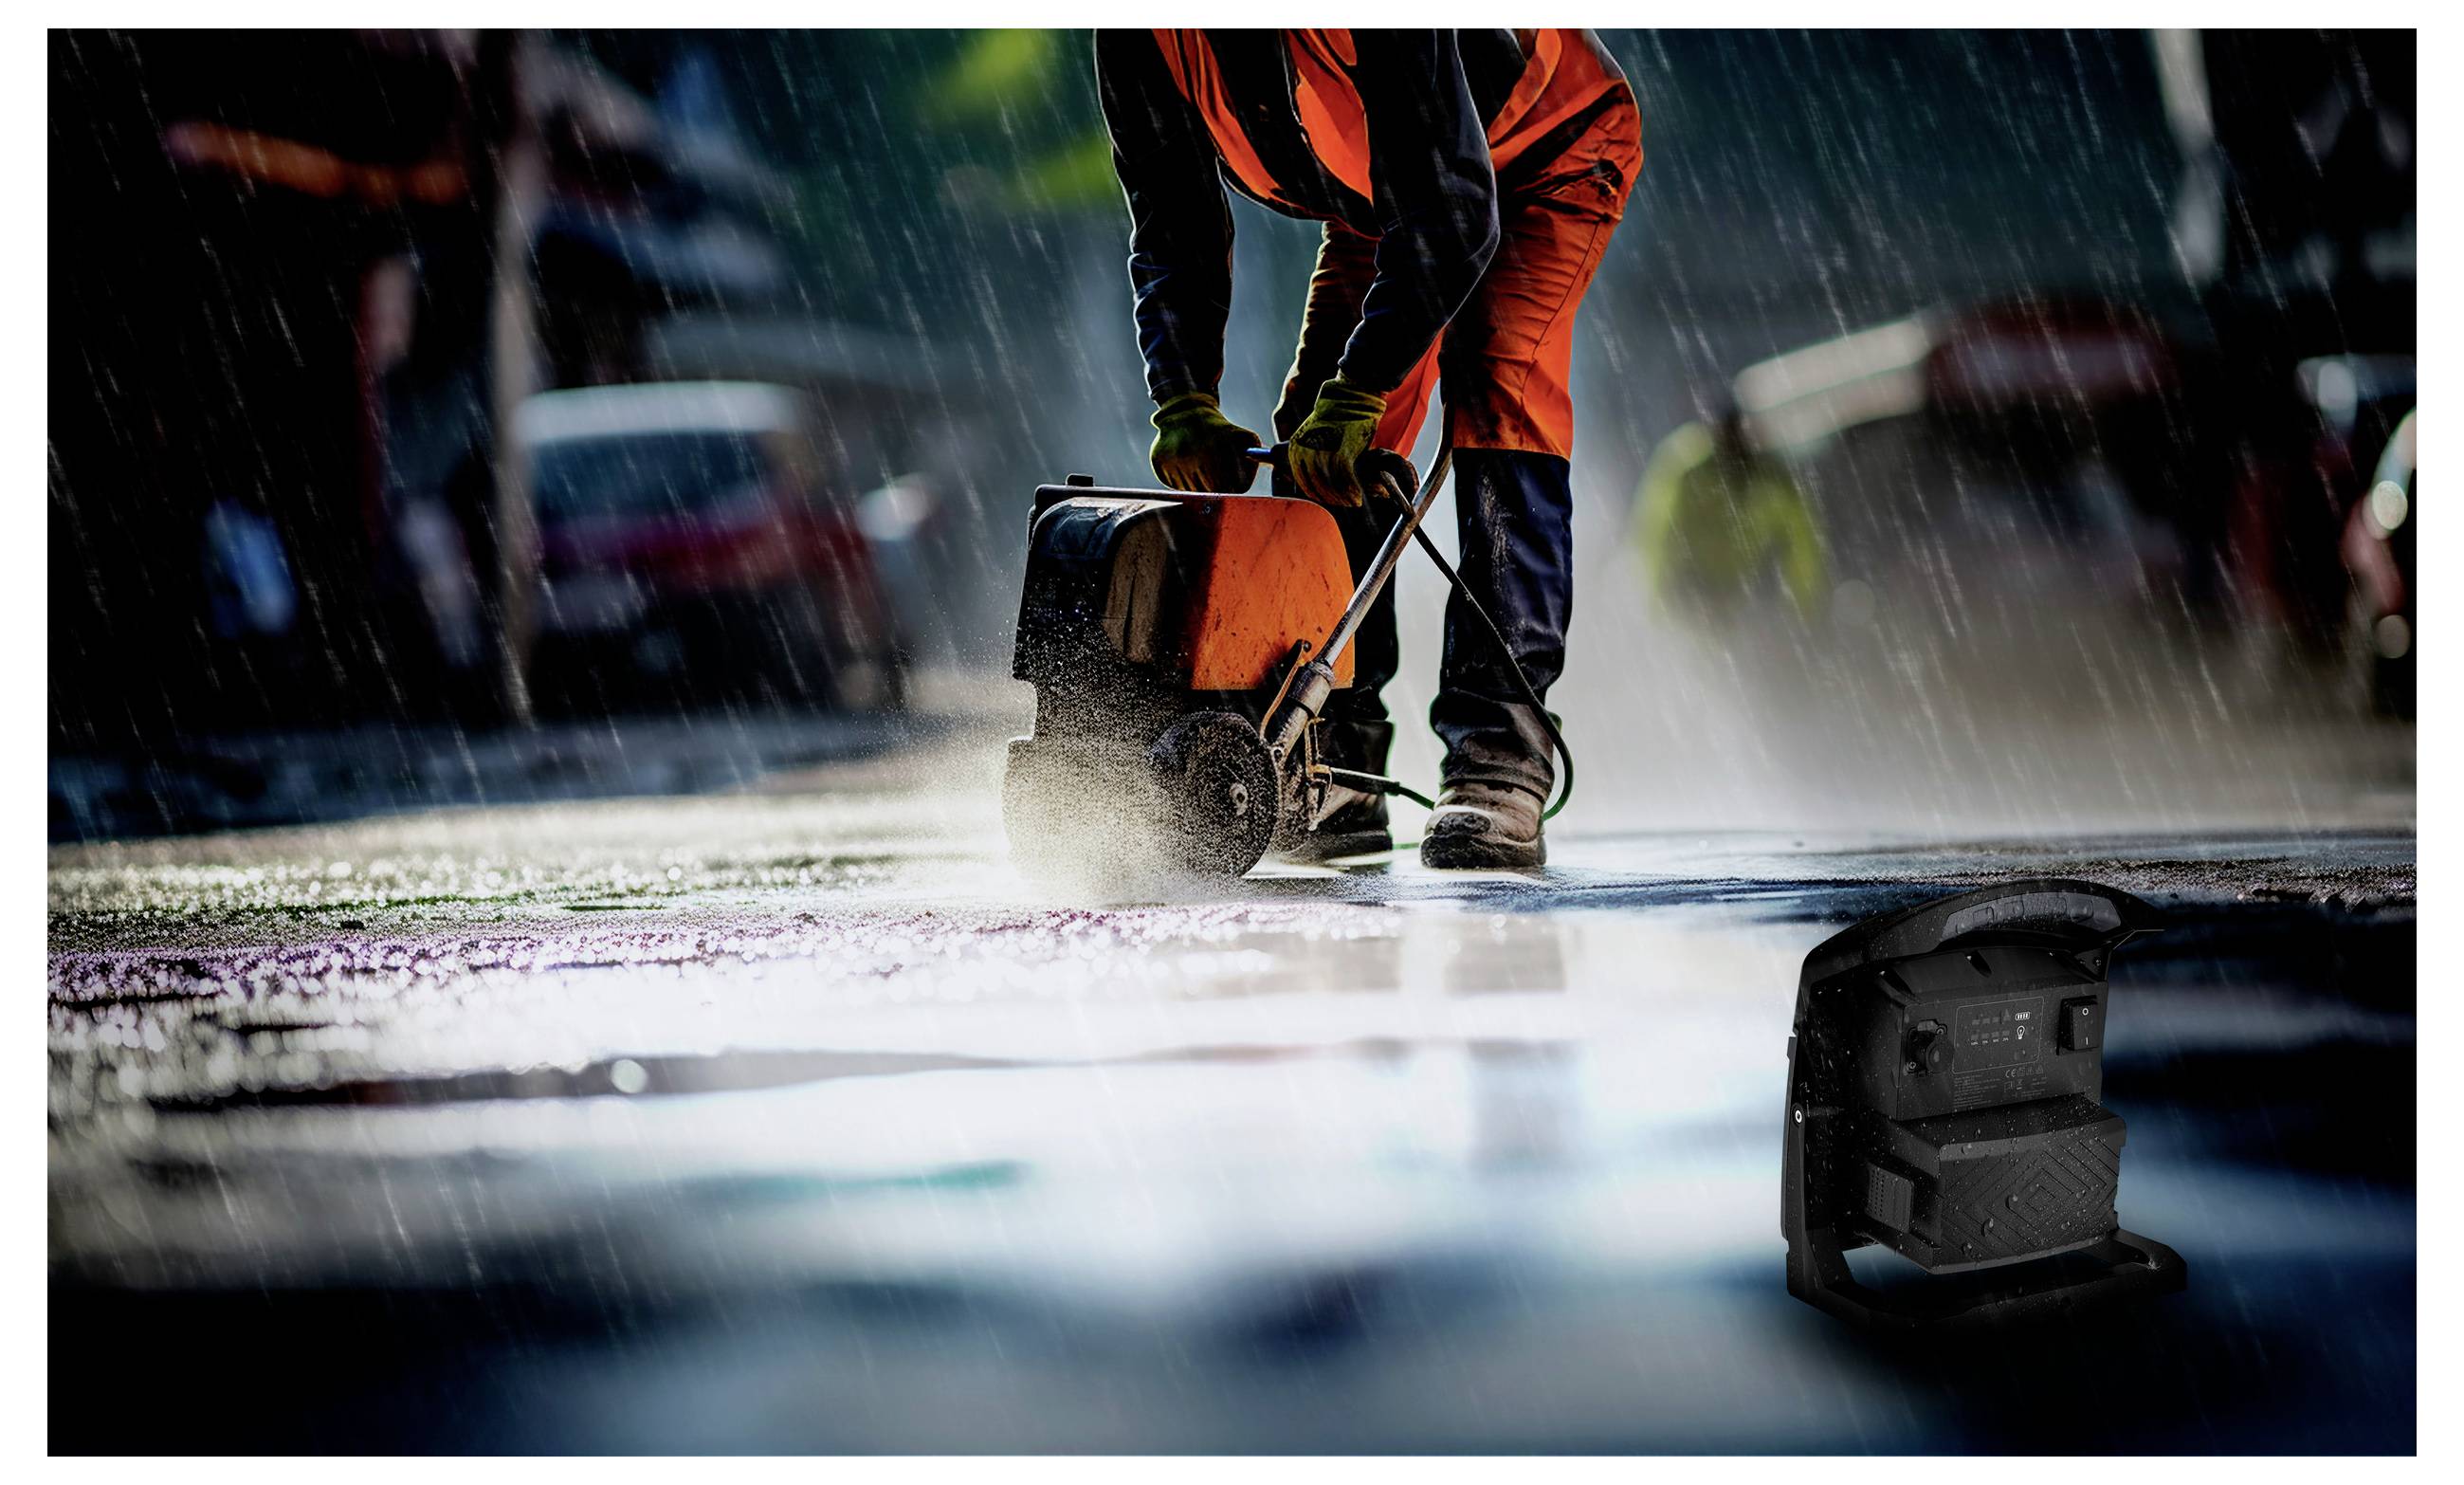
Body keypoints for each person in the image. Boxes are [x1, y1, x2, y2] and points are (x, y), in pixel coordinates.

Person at [1095, 28, 1641, 870]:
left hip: (1546, 154)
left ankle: (1499, 760)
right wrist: (1182, 397)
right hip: (1394, 195)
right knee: (1322, 441)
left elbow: (1457, 216)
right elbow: (1173, 220)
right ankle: (1338, 762)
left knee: (1499, 392)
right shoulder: (1140, 35)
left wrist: (1364, 389)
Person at [1631, 403, 1827, 622]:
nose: (1737, 447)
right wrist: (1658, 597)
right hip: (1686, 586)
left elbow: (1802, 538)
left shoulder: (1769, 477)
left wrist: (1803, 602)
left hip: (1728, 590)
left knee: (1716, 643)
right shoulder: (1688, 465)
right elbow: (1655, 532)